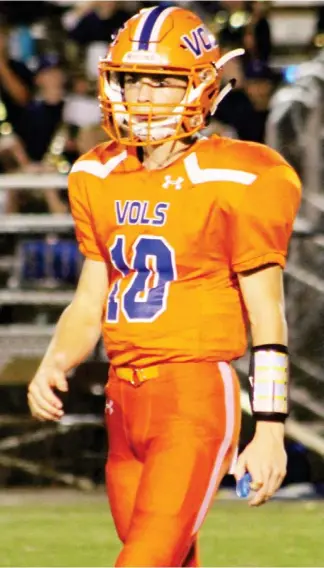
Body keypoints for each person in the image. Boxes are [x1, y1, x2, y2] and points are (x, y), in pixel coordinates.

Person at [27, 5, 301, 567]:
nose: (144, 96)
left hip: (194, 398)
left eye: (162, 82)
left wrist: (270, 427)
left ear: (199, 86)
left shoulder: (241, 176)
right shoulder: (97, 173)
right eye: (133, 80)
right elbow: (90, 294)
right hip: (121, 403)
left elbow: (268, 316)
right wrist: (55, 360)